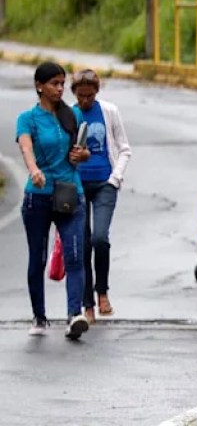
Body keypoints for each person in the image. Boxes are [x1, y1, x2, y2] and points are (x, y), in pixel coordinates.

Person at [15, 61, 91, 340]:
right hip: (38, 197)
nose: (60, 89)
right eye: (54, 84)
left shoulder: (73, 116)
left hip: (71, 193)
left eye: (62, 83)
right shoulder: (27, 118)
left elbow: (84, 151)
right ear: (39, 86)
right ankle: (39, 315)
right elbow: (26, 147)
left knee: (75, 255)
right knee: (38, 256)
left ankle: (74, 315)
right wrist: (34, 170)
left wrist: (82, 155)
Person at [71, 68, 132, 324]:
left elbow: (124, 148)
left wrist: (115, 177)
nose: (86, 100)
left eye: (90, 95)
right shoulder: (68, 115)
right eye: (81, 96)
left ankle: (102, 291)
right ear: (74, 93)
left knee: (99, 238)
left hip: (105, 183)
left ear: (97, 92)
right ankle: (88, 304)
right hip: (77, 186)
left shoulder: (109, 111)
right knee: (83, 244)